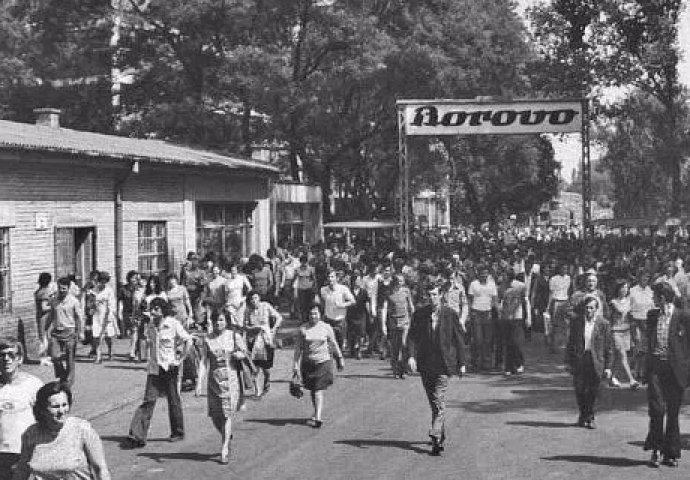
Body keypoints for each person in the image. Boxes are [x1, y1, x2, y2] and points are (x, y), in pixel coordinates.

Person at [125, 297, 193, 448]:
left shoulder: (172, 324)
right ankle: (137, 435)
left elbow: (188, 340)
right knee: (149, 400)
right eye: (152, 308)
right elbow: (148, 342)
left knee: (173, 400)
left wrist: (180, 359)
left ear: (163, 310)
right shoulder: (150, 325)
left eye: (156, 308)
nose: (153, 311)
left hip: (169, 368)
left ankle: (178, 432)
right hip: (155, 368)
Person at [407, 284, 466, 456]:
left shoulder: (449, 314)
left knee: (438, 399)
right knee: (434, 403)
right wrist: (411, 356)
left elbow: (459, 339)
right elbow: (412, 336)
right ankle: (440, 436)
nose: (431, 298)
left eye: (434, 294)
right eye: (429, 294)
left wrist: (462, 362)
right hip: (426, 365)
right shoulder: (420, 314)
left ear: (441, 295)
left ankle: (435, 433)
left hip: (443, 365)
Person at [12, 381, 110, 480]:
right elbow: (22, 469)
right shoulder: (31, 434)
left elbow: (100, 469)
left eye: (64, 405)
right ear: (43, 409)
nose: (61, 411)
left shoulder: (82, 429)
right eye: (55, 407)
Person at [643, 282, 690, 468]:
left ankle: (670, 453)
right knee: (656, 409)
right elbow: (649, 342)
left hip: (676, 370)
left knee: (672, 412)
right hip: (656, 367)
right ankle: (655, 449)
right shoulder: (652, 315)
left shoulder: (684, 316)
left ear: (662, 297)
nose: (652, 299)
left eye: (654, 295)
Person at [201, 312, 248, 464]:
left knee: (226, 414)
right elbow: (203, 361)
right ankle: (226, 435)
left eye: (221, 320)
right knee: (215, 416)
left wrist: (239, 355)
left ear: (226, 321)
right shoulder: (207, 339)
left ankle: (224, 449)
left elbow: (245, 353)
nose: (218, 323)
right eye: (215, 320)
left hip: (231, 381)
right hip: (213, 382)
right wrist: (198, 383)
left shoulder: (234, 336)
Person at [292, 302, 344, 428]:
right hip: (308, 363)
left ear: (320, 314)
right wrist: (295, 364)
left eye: (315, 313)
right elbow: (298, 348)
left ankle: (318, 417)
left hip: (323, 362)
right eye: (311, 314)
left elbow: (334, 343)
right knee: (312, 389)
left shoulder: (326, 327)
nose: (313, 316)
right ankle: (316, 413)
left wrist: (340, 358)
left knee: (318, 389)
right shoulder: (303, 329)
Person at [565, 295, 613, 429]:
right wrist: (568, 362)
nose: (589, 310)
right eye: (586, 308)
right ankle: (583, 414)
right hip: (580, 358)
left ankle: (590, 416)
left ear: (597, 309)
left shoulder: (603, 324)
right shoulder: (577, 322)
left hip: (595, 360)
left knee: (592, 389)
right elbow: (570, 343)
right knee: (580, 389)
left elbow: (608, 347)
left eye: (591, 308)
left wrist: (608, 367)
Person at [0, 338, 43, 479]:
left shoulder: (33, 385)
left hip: (23, 452)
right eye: (2, 355)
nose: (6, 359)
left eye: (11, 355)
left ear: (20, 359)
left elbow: (44, 419)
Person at [237, 291, 283, 397]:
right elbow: (245, 326)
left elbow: (279, 317)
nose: (254, 301)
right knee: (255, 367)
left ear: (259, 298)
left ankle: (267, 382)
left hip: (266, 340)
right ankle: (257, 391)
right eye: (252, 299)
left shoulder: (266, 306)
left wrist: (273, 329)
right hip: (253, 341)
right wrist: (252, 328)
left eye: (256, 298)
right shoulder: (248, 310)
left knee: (266, 368)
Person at [46, 277, 85, 386]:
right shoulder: (54, 300)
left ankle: (68, 382)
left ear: (68, 288)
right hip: (56, 332)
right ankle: (62, 374)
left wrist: (80, 332)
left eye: (64, 288)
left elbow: (79, 317)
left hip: (69, 332)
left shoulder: (74, 301)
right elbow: (51, 315)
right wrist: (46, 328)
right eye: (59, 288)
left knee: (69, 358)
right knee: (54, 356)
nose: (61, 290)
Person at [381, 273, 415, 378]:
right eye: (398, 281)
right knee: (395, 347)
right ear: (394, 281)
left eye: (402, 281)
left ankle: (403, 369)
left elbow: (411, 305)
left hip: (405, 321)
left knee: (404, 345)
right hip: (393, 321)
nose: (400, 283)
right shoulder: (388, 293)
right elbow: (384, 308)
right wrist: (383, 324)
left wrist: (413, 319)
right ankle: (396, 369)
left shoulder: (406, 291)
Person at [499, 272, 531, 376]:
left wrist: (527, 317)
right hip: (505, 317)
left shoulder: (520, 286)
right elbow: (501, 301)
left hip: (517, 317)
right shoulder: (501, 286)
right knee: (507, 343)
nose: (503, 276)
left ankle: (519, 363)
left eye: (505, 275)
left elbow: (524, 301)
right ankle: (508, 366)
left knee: (516, 342)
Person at [609, 280, 638, 388]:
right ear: (618, 289)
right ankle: (631, 380)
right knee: (622, 355)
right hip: (616, 331)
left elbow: (633, 313)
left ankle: (612, 377)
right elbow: (619, 311)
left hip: (627, 331)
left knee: (619, 356)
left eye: (626, 287)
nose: (624, 290)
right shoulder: (613, 302)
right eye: (622, 287)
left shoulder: (630, 300)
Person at [468, 267, 498, 372]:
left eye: (486, 274)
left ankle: (487, 363)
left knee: (488, 340)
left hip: (488, 313)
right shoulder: (473, 284)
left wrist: (493, 312)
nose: (484, 276)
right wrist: (470, 313)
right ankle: (475, 363)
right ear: (478, 274)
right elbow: (470, 299)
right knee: (477, 339)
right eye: (482, 274)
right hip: (476, 312)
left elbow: (494, 299)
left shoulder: (492, 284)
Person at [319, 270, 356, 352]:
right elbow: (323, 303)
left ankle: (339, 361)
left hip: (340, 321)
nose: (330, 279)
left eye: (332, 277)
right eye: (328, 277)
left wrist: (342, 305)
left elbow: (353, 301)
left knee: (339, 345)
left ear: (336, 278)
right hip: (328, 320)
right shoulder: (323, 290)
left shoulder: (343, 289)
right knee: (328, 345)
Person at [629, 270, 655, 383]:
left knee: (645, 348)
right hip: (636, 320)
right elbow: (628, 305)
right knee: (637, 346)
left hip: (647, 322)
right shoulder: (632, 291)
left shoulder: (650, 291)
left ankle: (642, 372)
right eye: (643, 278)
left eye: (647, 278)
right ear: (638, 278)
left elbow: (653, 306)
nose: (645, 280)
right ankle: (635, 369)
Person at [91, 271, 118, 363]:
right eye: (101, 280)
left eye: (104, 280)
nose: (102, 282)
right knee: (97, 336)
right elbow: (91, 303)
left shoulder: (109, 290)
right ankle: (98, 356)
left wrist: (110, 314)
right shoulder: (95, 290)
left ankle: (110, 351)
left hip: (106, 315)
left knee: (108, 337)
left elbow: (112, 304)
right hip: (97, 315)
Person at [346, 272, 369, 360]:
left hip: (361, 314)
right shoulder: (349, 291)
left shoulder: (364, 291)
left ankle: (359, 350)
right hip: (351, 315)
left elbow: (367, 302)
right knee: (352, 333)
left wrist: (370, 313)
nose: (359, 282)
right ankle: (352, 349)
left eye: (360, 280)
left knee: (361, 333)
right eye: (357, 280)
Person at [34, 273, 56, 355]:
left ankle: (47, 355)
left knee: (45, 336)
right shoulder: (44, 293)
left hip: (43, 316)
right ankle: (43, 357)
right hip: (44, 317)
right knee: (44, 337)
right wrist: (54, 306)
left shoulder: (39, 291)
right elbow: (44, 307)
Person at [117, 270, 140, 340]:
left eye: (136, 278)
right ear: (129, 278)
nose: (134, 280)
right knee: (128, 334)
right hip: (127, 312)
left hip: (137, 313)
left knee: (136, 333)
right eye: (133, 278)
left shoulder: (140, 288)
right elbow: (120, 301)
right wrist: (119, 312)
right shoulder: (123, 289)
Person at [294, 255, 317, 323]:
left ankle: (310, 320)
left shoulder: (311, 269)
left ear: (307, 262)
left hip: (309, 289)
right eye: (302, 262)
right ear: (300, 262)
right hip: (301, 289)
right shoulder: (297, 269)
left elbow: (314, 279)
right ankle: (303, 320)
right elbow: (294, 278)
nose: (304, 263)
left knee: (309, 305)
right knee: (302, 306)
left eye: (305, 262)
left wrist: (315, 289)